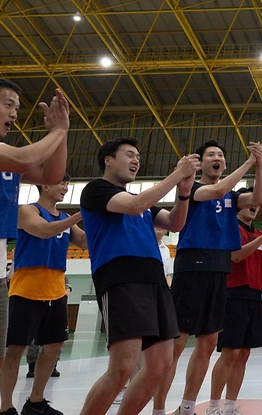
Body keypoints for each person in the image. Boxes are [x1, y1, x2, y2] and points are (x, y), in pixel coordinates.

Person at [78, 138, 200, 415]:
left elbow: (175, 223)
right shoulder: (96, 189)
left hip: (155, 280)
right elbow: (134, 207)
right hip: (121, 277)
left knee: (159, 365)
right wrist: (177, 173)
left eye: (138, 157)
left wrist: (183, 193)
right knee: (122, 368)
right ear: (108, 160)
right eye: (129, 155)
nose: (136, 161)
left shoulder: (140, 200)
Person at [0, 78, 69, 415]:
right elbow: (27, 156)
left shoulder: (2, 157)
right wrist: (54, 132)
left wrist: (63, 132)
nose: (14, 114)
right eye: (7, 105)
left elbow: (52, 174)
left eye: (17, 108)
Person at [152, 140, 262, 415]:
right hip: (193, 265)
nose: (217, 158)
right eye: (211, 155)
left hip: (219, 269)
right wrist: (250, 162)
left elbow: (256, 199)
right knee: (177, 344)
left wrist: (260, 167)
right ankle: (157, 409)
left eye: (220, 155)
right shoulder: (191, 187)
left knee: (208, 342)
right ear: (201, 162)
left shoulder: (231, 196)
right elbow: (217, 189)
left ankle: (187, 407)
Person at [0, 174, 85, 415]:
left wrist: (106, 222)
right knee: (15, 348)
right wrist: (82, 214)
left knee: (55, 345)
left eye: (68, 183)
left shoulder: (66, 218)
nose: (66, 188)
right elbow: (45, 231)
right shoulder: (27, 211)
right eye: (61, 183)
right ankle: (6, 407)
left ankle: (35, 402)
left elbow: (85, 242)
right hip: (27, 288)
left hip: (56, 289)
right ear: (45, 185)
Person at [207, 203, 262, 415]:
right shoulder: (230, 228)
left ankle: (229, 407)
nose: (254, 207)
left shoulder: (259, 234)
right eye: (249, 203)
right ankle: (212, 407)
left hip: (254, 296)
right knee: (230, 352)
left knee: (244, 353)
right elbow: (236, 256)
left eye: (257, 205)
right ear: (238, 207)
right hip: (233, 294)